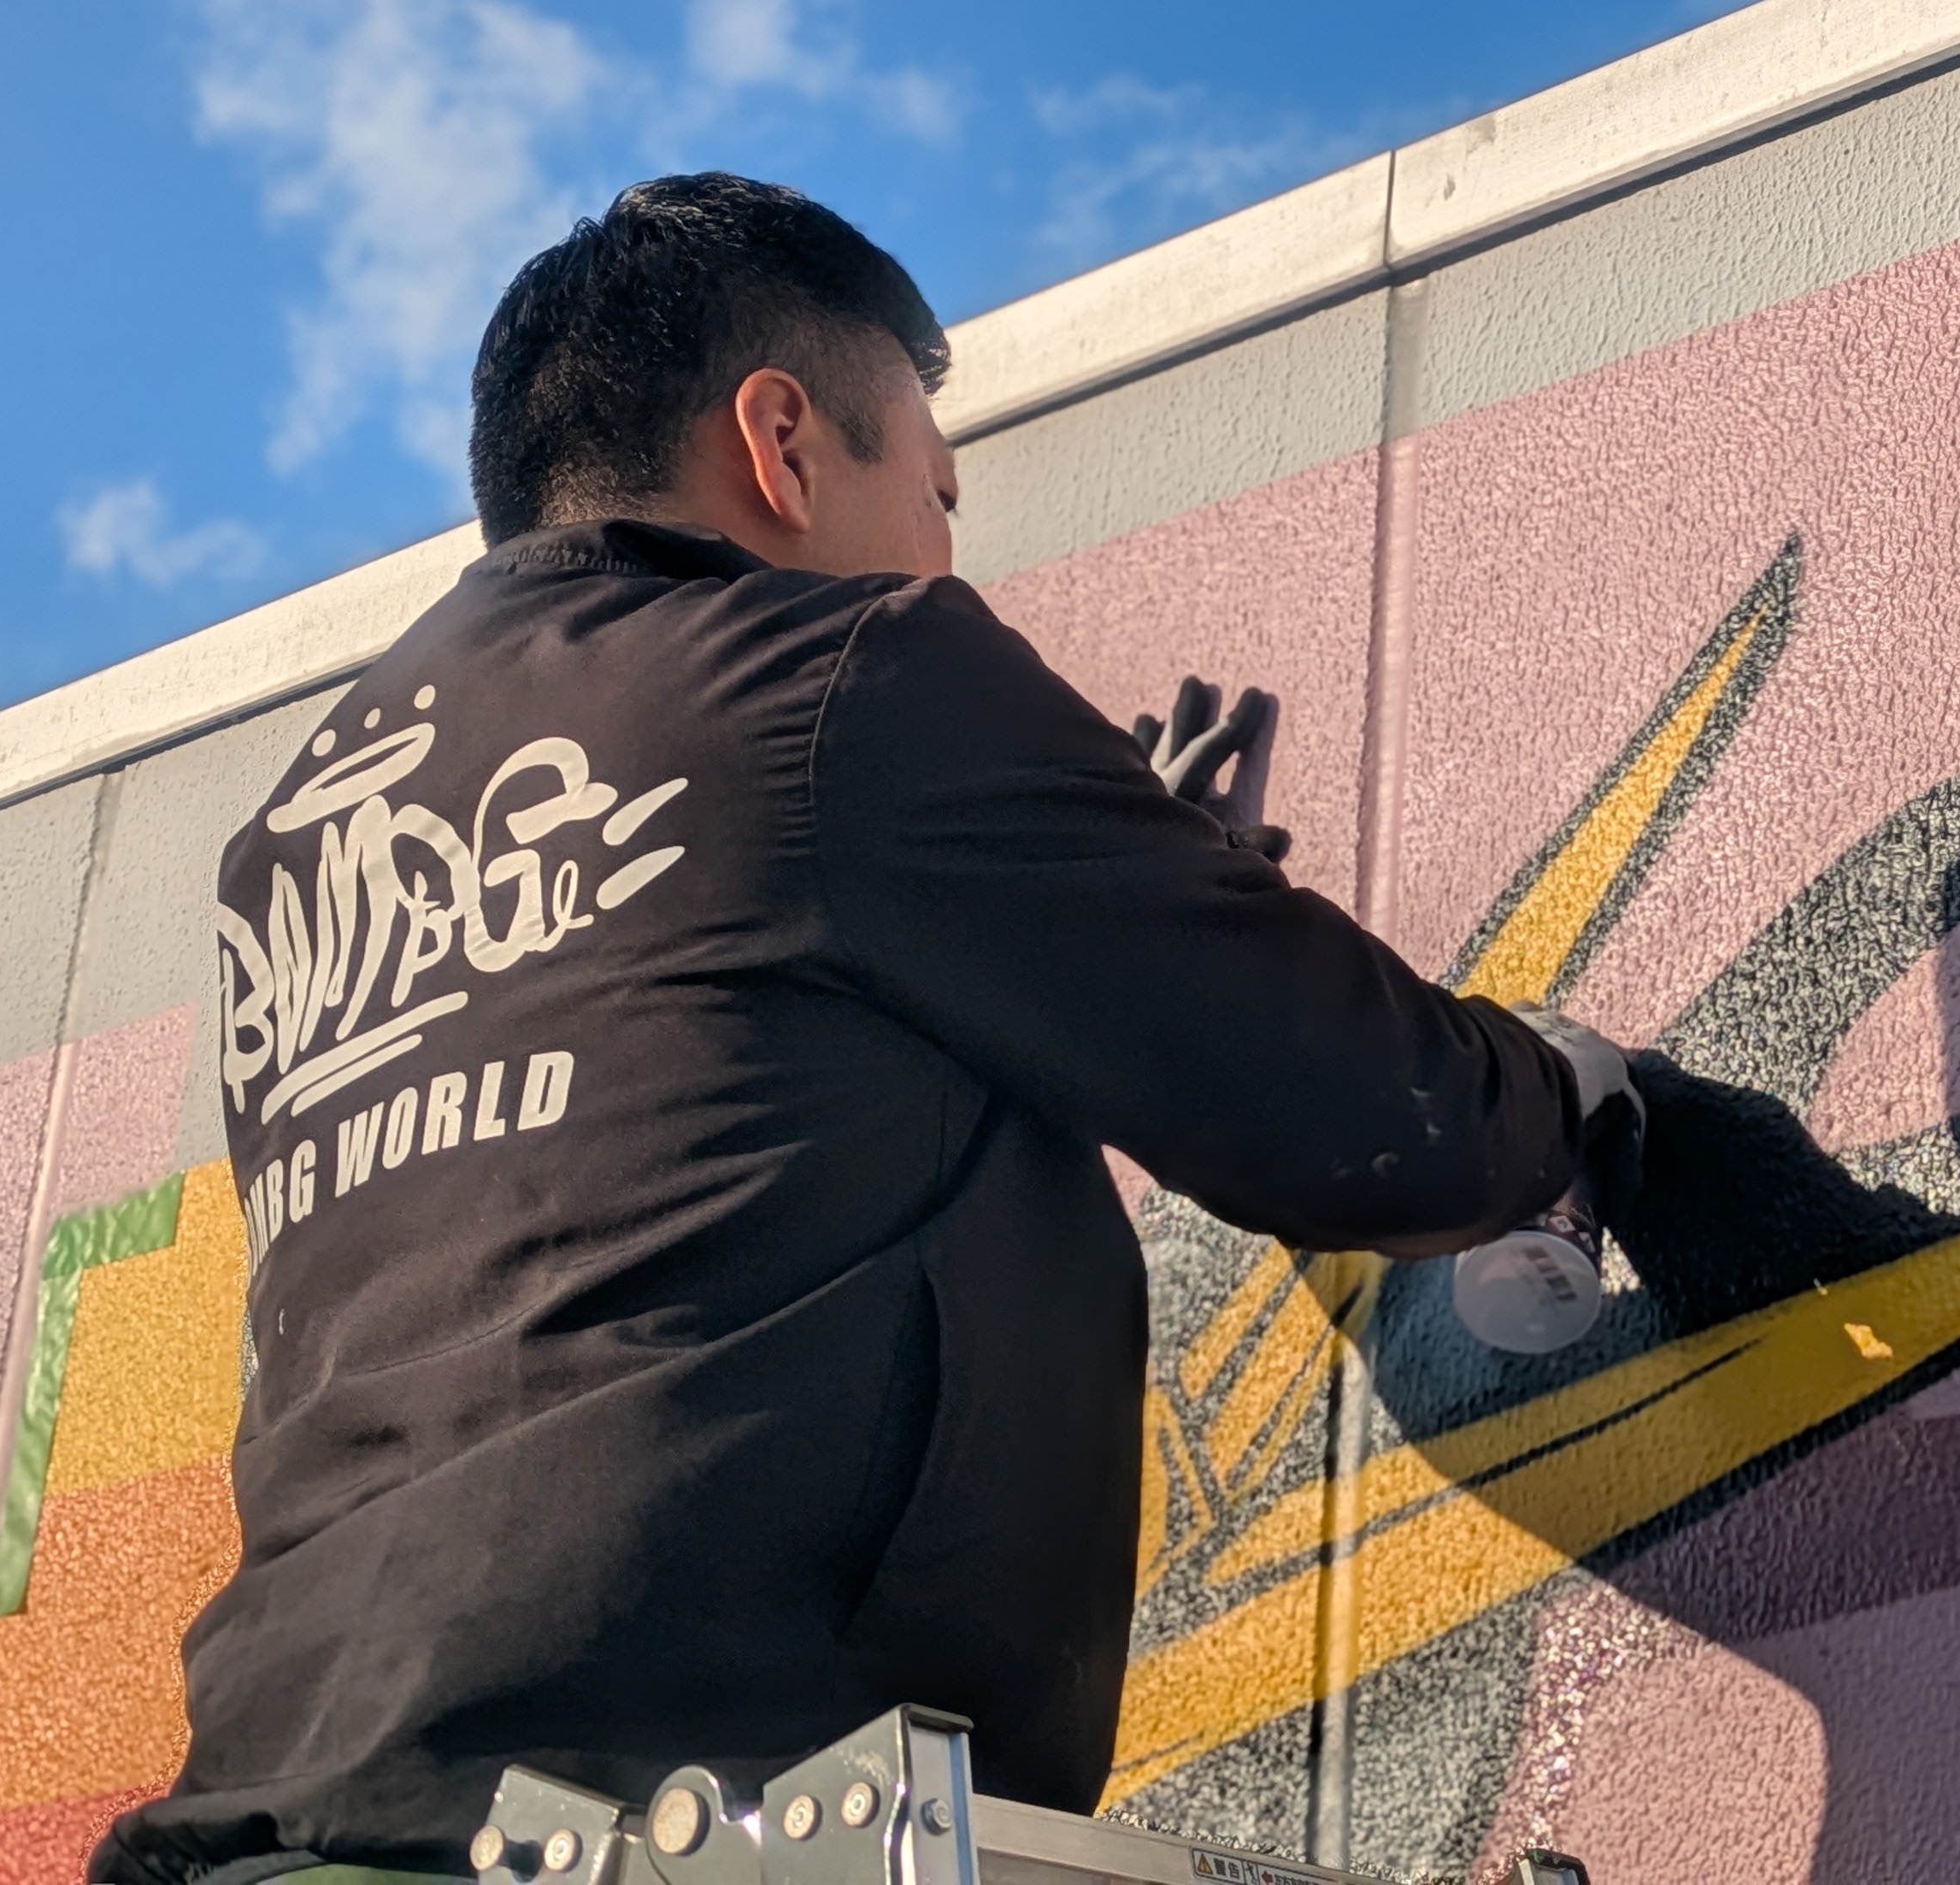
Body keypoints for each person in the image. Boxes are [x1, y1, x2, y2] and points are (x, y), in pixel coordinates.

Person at [97, 174, 1630, 1885]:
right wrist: (1564, 1090)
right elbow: (1371, 1117)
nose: (946, 546)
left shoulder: (295, 851)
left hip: (282, 1818)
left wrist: (1124, 902)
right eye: (935, 488)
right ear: (784, 443)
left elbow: (682, 1138)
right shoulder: (840, 674)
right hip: (692, 1829)